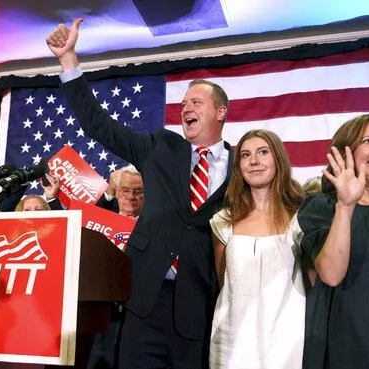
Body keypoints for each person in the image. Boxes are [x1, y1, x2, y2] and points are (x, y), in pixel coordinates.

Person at [46, 19, 233, 369]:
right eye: (183, 104)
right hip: (145, 297)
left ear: (221, 112)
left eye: (196, 102)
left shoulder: (241, 165)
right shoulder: (160, 147)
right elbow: (99, 125)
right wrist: (69, 60)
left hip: (200, 304)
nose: (186, 108)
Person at [297, 113, 369, 368]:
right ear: (346, 152)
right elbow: (331, 274)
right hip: (342, 342)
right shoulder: (321, 208)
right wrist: (346, 205)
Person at [209, 129, 305, 369]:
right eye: (245, 155)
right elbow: (224, 283)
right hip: (232, 342)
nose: (253, 161)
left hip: (288, 342)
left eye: (263, 152)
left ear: (278, 160)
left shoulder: (301, 218)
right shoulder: (223, 221)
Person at [88, 165, 144, 369]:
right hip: (100, 311)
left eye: (138, 191)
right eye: (125, 190)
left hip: (136, 311)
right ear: (117, 192)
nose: (131, 197)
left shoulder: (152, 226)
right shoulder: (100, 220)